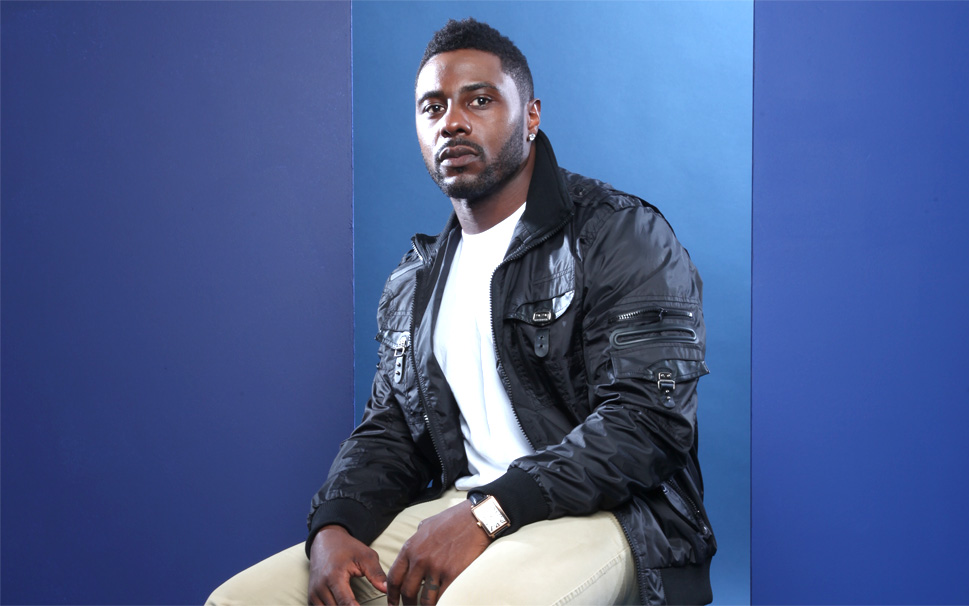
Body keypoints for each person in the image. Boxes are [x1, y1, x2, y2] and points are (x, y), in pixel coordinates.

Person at [208, 17, 715, 606]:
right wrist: (334, 526)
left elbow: (647, 424)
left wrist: (490, 512)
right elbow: (391, 429)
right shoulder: (416, 278)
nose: (451, 121)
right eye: (433, 107)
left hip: (613, 517)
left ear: (531, 116)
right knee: (241, 601)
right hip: (467, 507)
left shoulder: (618, 233)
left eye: (479, 100)